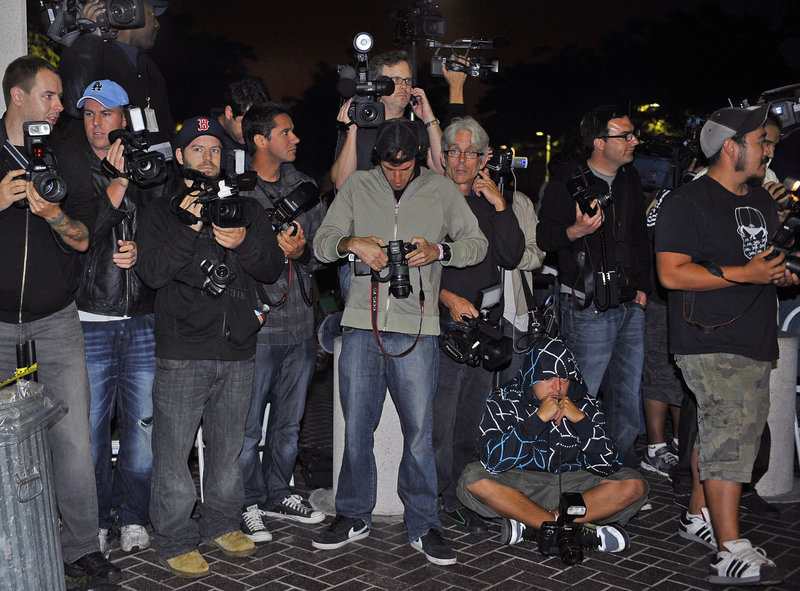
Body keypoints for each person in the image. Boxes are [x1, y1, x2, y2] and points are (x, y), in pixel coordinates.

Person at [312, 117, 487, 565]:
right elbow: (321, 243)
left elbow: (476, 243)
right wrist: (354, 244)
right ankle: (352, 514)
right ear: (379, 160)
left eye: (405, 166)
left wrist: (438, 251)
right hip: (360, 324)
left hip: (419, 329)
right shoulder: (356, 186)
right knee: (357, 431)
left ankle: (424, 524)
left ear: (417, 159)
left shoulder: (441, 189)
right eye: (389, 168)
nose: (396, 174)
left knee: (419, 435)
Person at [136, 116, 284, 578]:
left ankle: (221, 523)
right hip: (182, 350)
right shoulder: (161, 212)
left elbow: (271, 266)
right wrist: (191, 225)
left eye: (215, 150)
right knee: (173, 450)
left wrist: (241, 243)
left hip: (237, 348)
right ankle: (176, 537)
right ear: (178, 157)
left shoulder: (246, 208)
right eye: (197, 149)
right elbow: (153, 273)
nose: (207, 157)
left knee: (228, 450)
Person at [655, 105, 793, 585]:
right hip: (709, 340)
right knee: (729, 436)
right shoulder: (687, 201)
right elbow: (670, 273)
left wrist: (781, 269)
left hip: (753, 336)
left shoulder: (759, 201)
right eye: (762, 141)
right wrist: (747, 273)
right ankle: (729, 549)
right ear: (731, 146)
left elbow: (769, 262)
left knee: (726, 432)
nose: (770, 149)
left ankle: (699, 516)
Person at [0, 56, 121, 585]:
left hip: (55, 320)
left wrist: (53, 216)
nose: (60, 106)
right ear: (16, 98)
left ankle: (81, 550)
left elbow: (84, 237)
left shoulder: (66, 157)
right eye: (49, 96)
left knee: (74, 440)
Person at [433, 116, 543, 532]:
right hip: (444, 325)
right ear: (443, 156)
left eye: (471, 153)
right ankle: (437, 500)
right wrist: (446, 296)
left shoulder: (493, 200)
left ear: (484, 157)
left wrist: (499, 204)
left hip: (488, 327)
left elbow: (513, 256)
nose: (462, 160)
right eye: (455, 152)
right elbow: (415, 258)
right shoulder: (430, 197)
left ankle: (461, 496)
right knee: (439, 425)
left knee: (471, 422)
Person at [73, 79, 166, 556]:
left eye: (105, 114)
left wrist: (142, 251)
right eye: (88, 114)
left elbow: (168, 234)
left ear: (124, 118)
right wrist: (117, 182)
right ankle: (96, 518)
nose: (96, 124)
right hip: (90, 317)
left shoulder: (153, 170)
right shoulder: (72, 169)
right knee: (89, 430)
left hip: (143, 318)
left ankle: (132, 517)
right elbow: (81, 238)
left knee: (143, 425)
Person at [457, 336, 647, 554]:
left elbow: (608, 465)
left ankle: (537, 527)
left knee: (634, 485)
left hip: (576, 488)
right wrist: (536, 421)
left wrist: (582, 423)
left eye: (564, 379)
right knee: (473, 479)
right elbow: (492, 460)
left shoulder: (586, 404)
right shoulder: (504, 400)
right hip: (521, 486)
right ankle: (572, 531)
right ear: (532, 375)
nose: (557, 387)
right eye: (548, 377)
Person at [536, 105, 650, 468]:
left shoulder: (631, 179)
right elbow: (544, 236)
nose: (635, 141)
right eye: (625, 135)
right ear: (599, 142)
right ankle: (574, 470)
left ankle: (616, 474)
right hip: (587, 306)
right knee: (578, 395)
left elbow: (637, 239)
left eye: (633, 134)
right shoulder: (569, 179)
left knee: (627, 400)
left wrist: (642, 288)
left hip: (630, 302)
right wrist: (577, 231)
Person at [237, 103, 327, 542]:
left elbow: (323, 253)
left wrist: (300, 254)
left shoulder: (305, 187)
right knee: (247, 422)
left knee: (289, 423)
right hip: (256, 325)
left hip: (299, 323)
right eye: (286, 132)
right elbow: (229, 258)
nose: (295, 139)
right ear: (259, 140)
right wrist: (272, 251)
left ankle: (278, 492)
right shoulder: (238, 191)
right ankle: (247, 501)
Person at [59, 0, 173, 149]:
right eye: (152, 13)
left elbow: (165, 127)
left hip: (148, 167)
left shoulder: (150, 67)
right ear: (130, 9)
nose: (157, 24)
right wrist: (90, 39)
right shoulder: (86, 51)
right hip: (103, 168)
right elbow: (75, 105)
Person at [330, 49, 444, 189]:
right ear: (377, 84)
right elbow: (342, 184)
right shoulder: (357, 130)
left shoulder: (418, 129)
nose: (404, 86)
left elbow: (442, 169)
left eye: (407, 80)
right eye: (396, 80)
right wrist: (351, 131)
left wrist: (429, 118)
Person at [212, 76, 271, 153]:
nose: (250, 132)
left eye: (256, 125)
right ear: (229, 112)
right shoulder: (204, 139)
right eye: (245, 123)